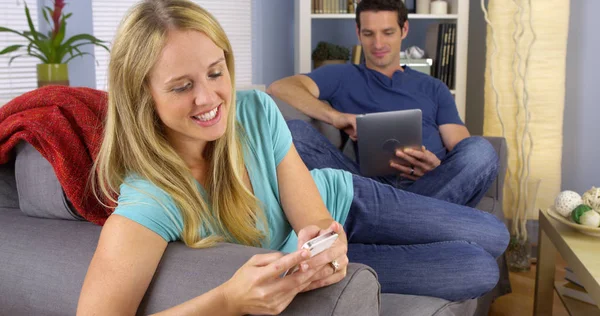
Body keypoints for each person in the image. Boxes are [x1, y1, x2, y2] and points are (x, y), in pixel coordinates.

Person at [77, 0, 508, 314]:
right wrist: (227, 300)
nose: (209, 98)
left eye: (215, 72)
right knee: (475, 268)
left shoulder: (254, 110)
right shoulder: (150, 201)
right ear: (142, 95)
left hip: (344, 196)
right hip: (308, 265)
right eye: (180, 86)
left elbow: (316, 219)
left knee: (495, 235)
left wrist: (327, 236)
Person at [268, 0, 498, 208]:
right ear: (358, 32)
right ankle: (414, 220)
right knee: (295, 132)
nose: (378, 43)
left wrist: (438, 168)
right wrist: (336, 117)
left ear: (404, 30)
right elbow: (281, 87)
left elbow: (463, 146)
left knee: (481, 150)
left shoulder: (434, 87)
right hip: (368, 186)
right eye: (369, 33)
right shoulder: (342, 75)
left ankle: (389, 219)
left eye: (387, 32)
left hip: (430, 182)